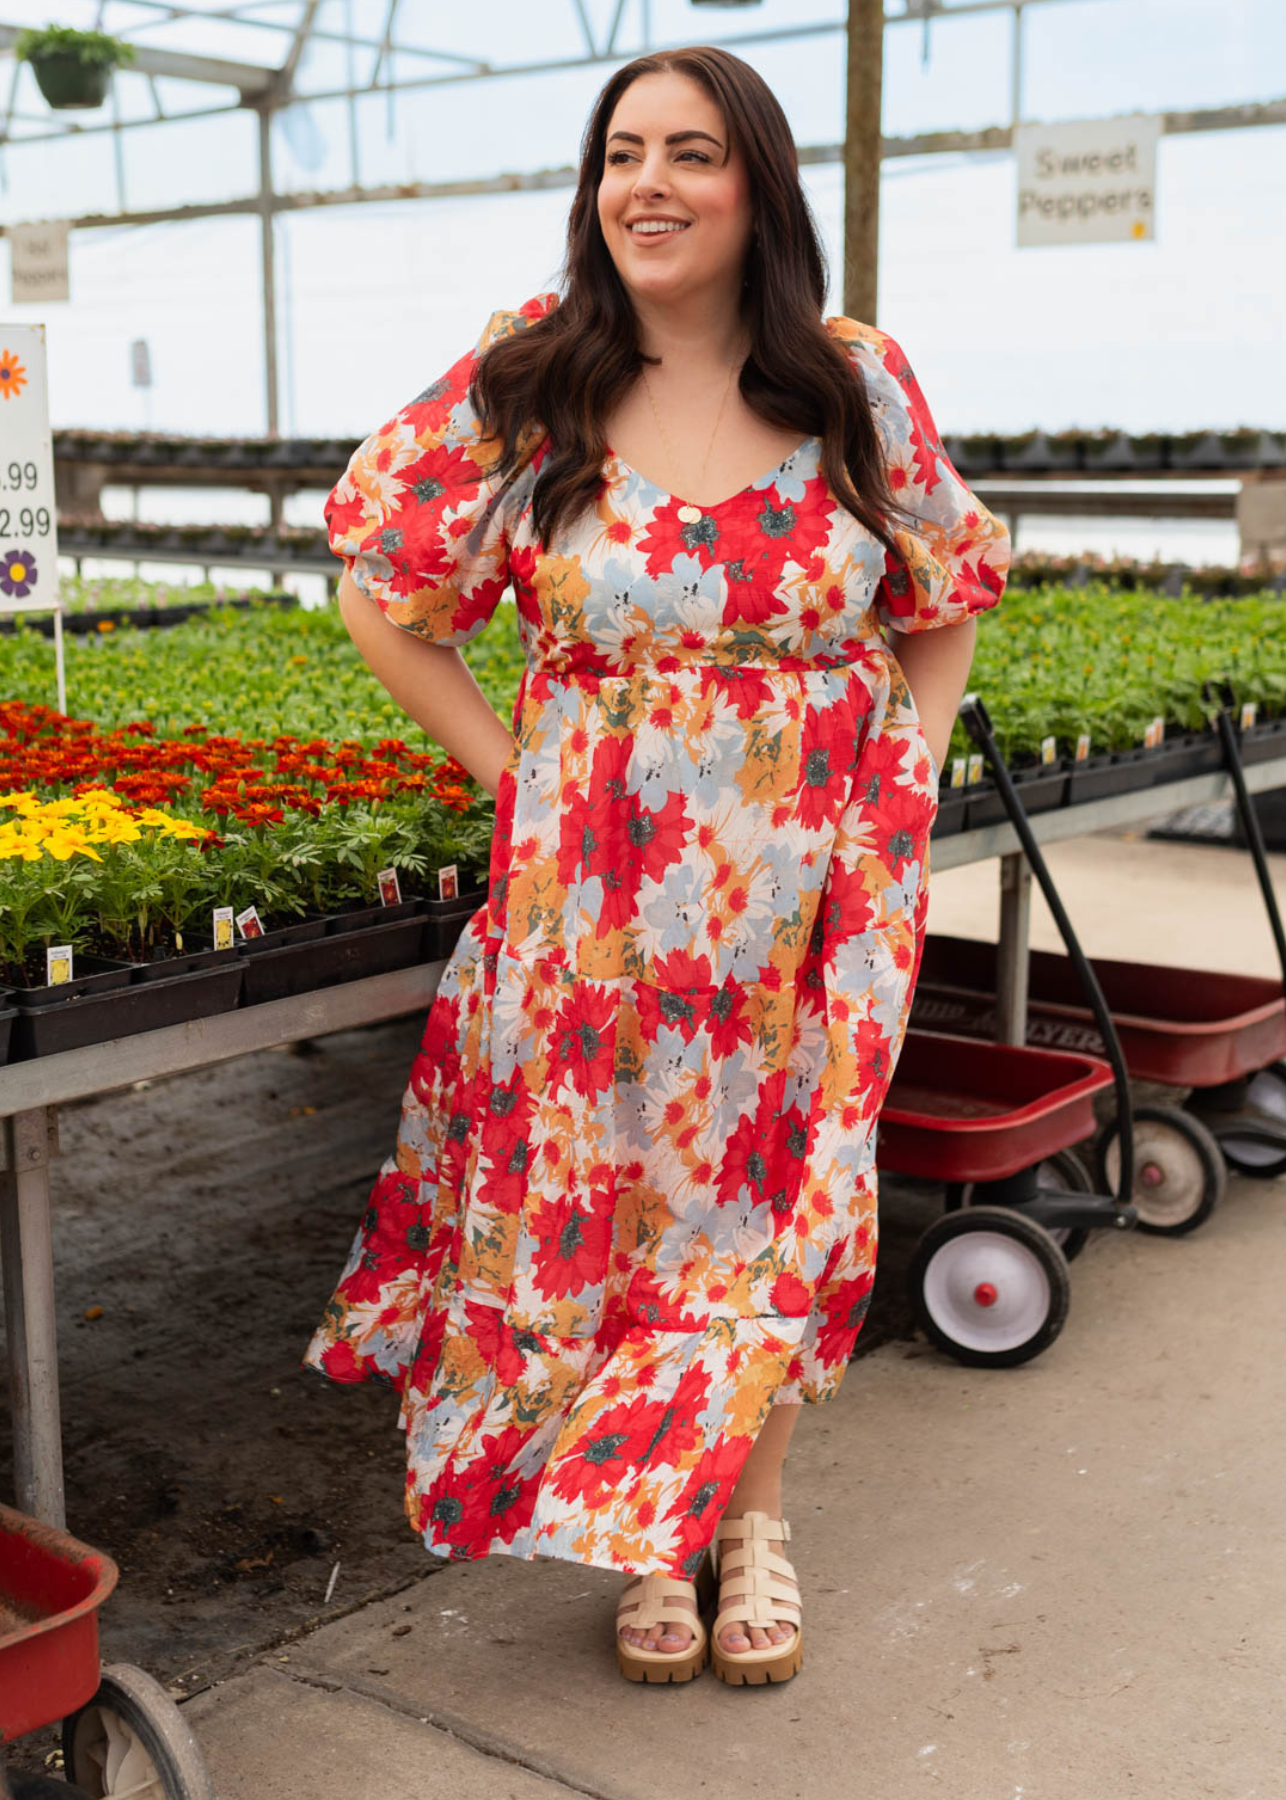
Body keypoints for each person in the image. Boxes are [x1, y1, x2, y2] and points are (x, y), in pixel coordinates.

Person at [304, 43, 1009, 1686]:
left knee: (760, 1209)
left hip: (808, 901)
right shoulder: (530, 377)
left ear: (754, 182)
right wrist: (513, 779)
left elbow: (943, 585)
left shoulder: (848, 380)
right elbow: (379, 584)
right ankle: (645, 1526)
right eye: (622, 151)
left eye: (690, 152)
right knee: (617, 1208)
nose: (648, 184)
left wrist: (888, 790)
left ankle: (741, 1518)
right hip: (593, 902)